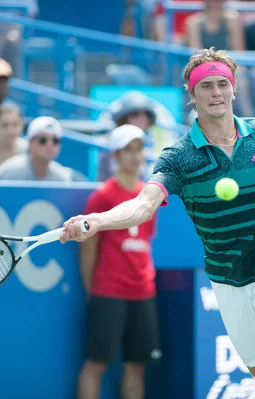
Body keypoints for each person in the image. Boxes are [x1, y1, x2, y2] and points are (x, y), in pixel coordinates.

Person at [60, 47, 255, 399]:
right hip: (228, 281)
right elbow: (143, 206)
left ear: (234, 88)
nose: (216, 93)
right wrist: (97, 220)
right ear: (192, 95)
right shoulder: (178, 157)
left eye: (222, 84)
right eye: (206, 86)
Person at [77, 124, 160, 399]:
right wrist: (93, 289)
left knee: (137, 366)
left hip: (143, 291)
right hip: (109, 291)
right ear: (115, 156)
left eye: (140, 148)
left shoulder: (149, 195)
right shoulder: (102, 196)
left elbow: (145, 242)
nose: (136, 156)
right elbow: (88, 251)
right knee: (96, 364)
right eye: (129, 149)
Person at [0, 116, 73, 182]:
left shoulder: (61, 178)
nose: (50, 145)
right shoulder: (9, 173)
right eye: (43, 140)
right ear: (30, 142)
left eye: (55, 141)